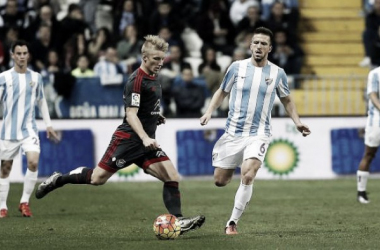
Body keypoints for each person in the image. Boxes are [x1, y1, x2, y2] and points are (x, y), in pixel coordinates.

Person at [35, 35, 206, 234]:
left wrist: (154, 115)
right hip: (129, 140)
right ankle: (59, 179)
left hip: (145, 143)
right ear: (144, 57)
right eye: (156, 59)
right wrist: (144, 137)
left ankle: (178, 221)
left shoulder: (153, 76)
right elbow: (130, 114)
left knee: (171, 176)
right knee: (97, 178)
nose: (160, 63)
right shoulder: (136, 80)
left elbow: (142, 108)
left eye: (162, 59)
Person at [199, 27, 311, 235]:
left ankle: (232, 222)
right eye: (256, 42)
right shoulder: (236, 68)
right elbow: (222, 92)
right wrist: (209, 112)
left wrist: (297, 121)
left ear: (270, 48)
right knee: (220, 181)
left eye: (263, 43)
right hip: (233, 133)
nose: (259, 46)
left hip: (259, 132)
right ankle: (234, 173)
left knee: (249, 173)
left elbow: (287, 99)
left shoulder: (278, 73)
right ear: (250, 46)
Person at [0, 40, 60, 218]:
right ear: (12, 56)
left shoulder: (36, 77)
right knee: (5, 169)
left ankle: (24, 203)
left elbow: (41, 102)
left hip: (29, 130)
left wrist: (48, 125)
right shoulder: (4, 77)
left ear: (28, 55)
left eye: (24, 53)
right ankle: (2, 206)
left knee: (33, 162)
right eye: (18, 53)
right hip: (8, 131)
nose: (21, 56)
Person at [356, 65, 380, 204]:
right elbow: (372, 95)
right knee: (369, 154)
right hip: (376, 122)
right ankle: (361, 192)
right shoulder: (375, 73)